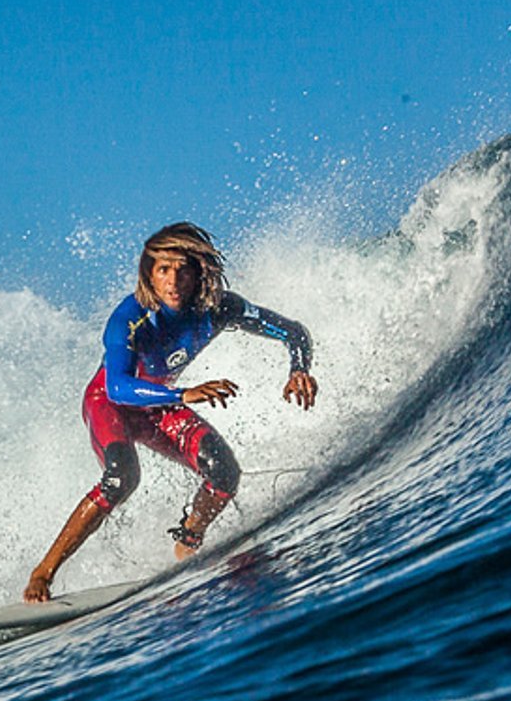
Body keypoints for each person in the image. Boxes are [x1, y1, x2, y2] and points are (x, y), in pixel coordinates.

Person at [23, 222, 318, 602]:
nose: (173, 280)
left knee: (224, 472)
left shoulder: (219, 309)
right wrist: (182, 394)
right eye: (162, 269)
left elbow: (292, 331)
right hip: (111, 403)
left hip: (160, 404)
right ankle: (42, 575)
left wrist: (299, 369)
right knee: (121, 477)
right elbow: (117, 386)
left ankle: (189, 540)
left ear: (200, 271)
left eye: (182, 268)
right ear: (149, 273)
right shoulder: (130, 318)